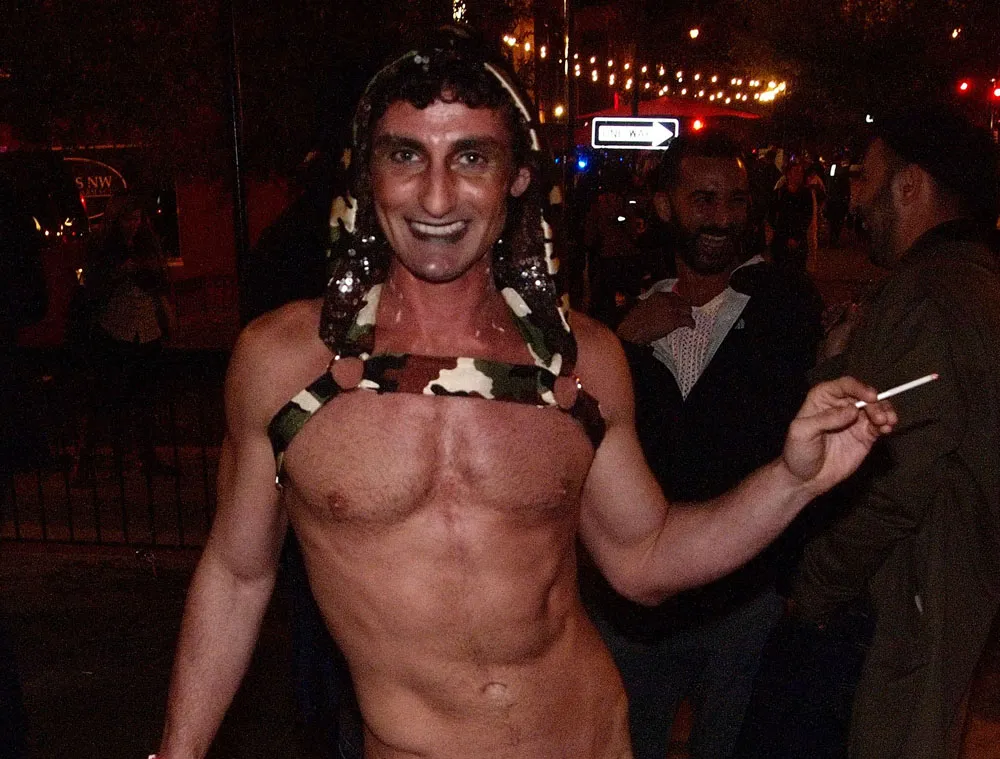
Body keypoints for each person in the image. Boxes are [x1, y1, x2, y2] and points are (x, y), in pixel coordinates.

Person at [153, 27, 895, 759]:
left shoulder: (578, 362)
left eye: (471, 157)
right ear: (366, 172)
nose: (436, 196)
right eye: (406, 155)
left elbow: (645, 559)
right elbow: (237, 576)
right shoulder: (286, 365)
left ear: (515, 176)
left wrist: (795, 480)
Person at [582, 132, 823, 759]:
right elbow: (575, 425)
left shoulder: (783, 304)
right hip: (637, 604)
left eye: (736, 200)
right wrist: (624, 341)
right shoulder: (619, 304)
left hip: (743, 595)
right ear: (666, 206)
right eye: (704, 199)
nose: (722, 217)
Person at [789, 103, 1000, 759]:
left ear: (910, 186)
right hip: (930, 593)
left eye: (865, 178)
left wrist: (814, 583)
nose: (855, 199)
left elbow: (896, 477)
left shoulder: (933, 296)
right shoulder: (961, 284)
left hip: (915, 599)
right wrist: (838, 359)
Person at [72, 192, 176, 483]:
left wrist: (146, 271)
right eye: (128, 218)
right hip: (114, 325)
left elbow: (160, 279)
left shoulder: (147, 243)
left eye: (137, 218)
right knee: (103, 397)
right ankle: (88, 461)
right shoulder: (103, 246)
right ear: (116, 219)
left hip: (144, 325)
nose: (134, 224)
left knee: (143, 396)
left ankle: (145, 457)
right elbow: (92, 286)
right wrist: (118, 273)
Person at [766, 159, 817, 274]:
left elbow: (807, 217)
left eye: (801, 172)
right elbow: (771, 216)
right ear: (788, 174)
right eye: (796, 172)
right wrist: (781, 235)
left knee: (797, 271)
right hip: (781, 240)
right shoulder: (779, 193)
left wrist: (796, 236)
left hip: (799, 240)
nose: (799, 175)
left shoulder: (806, 194)